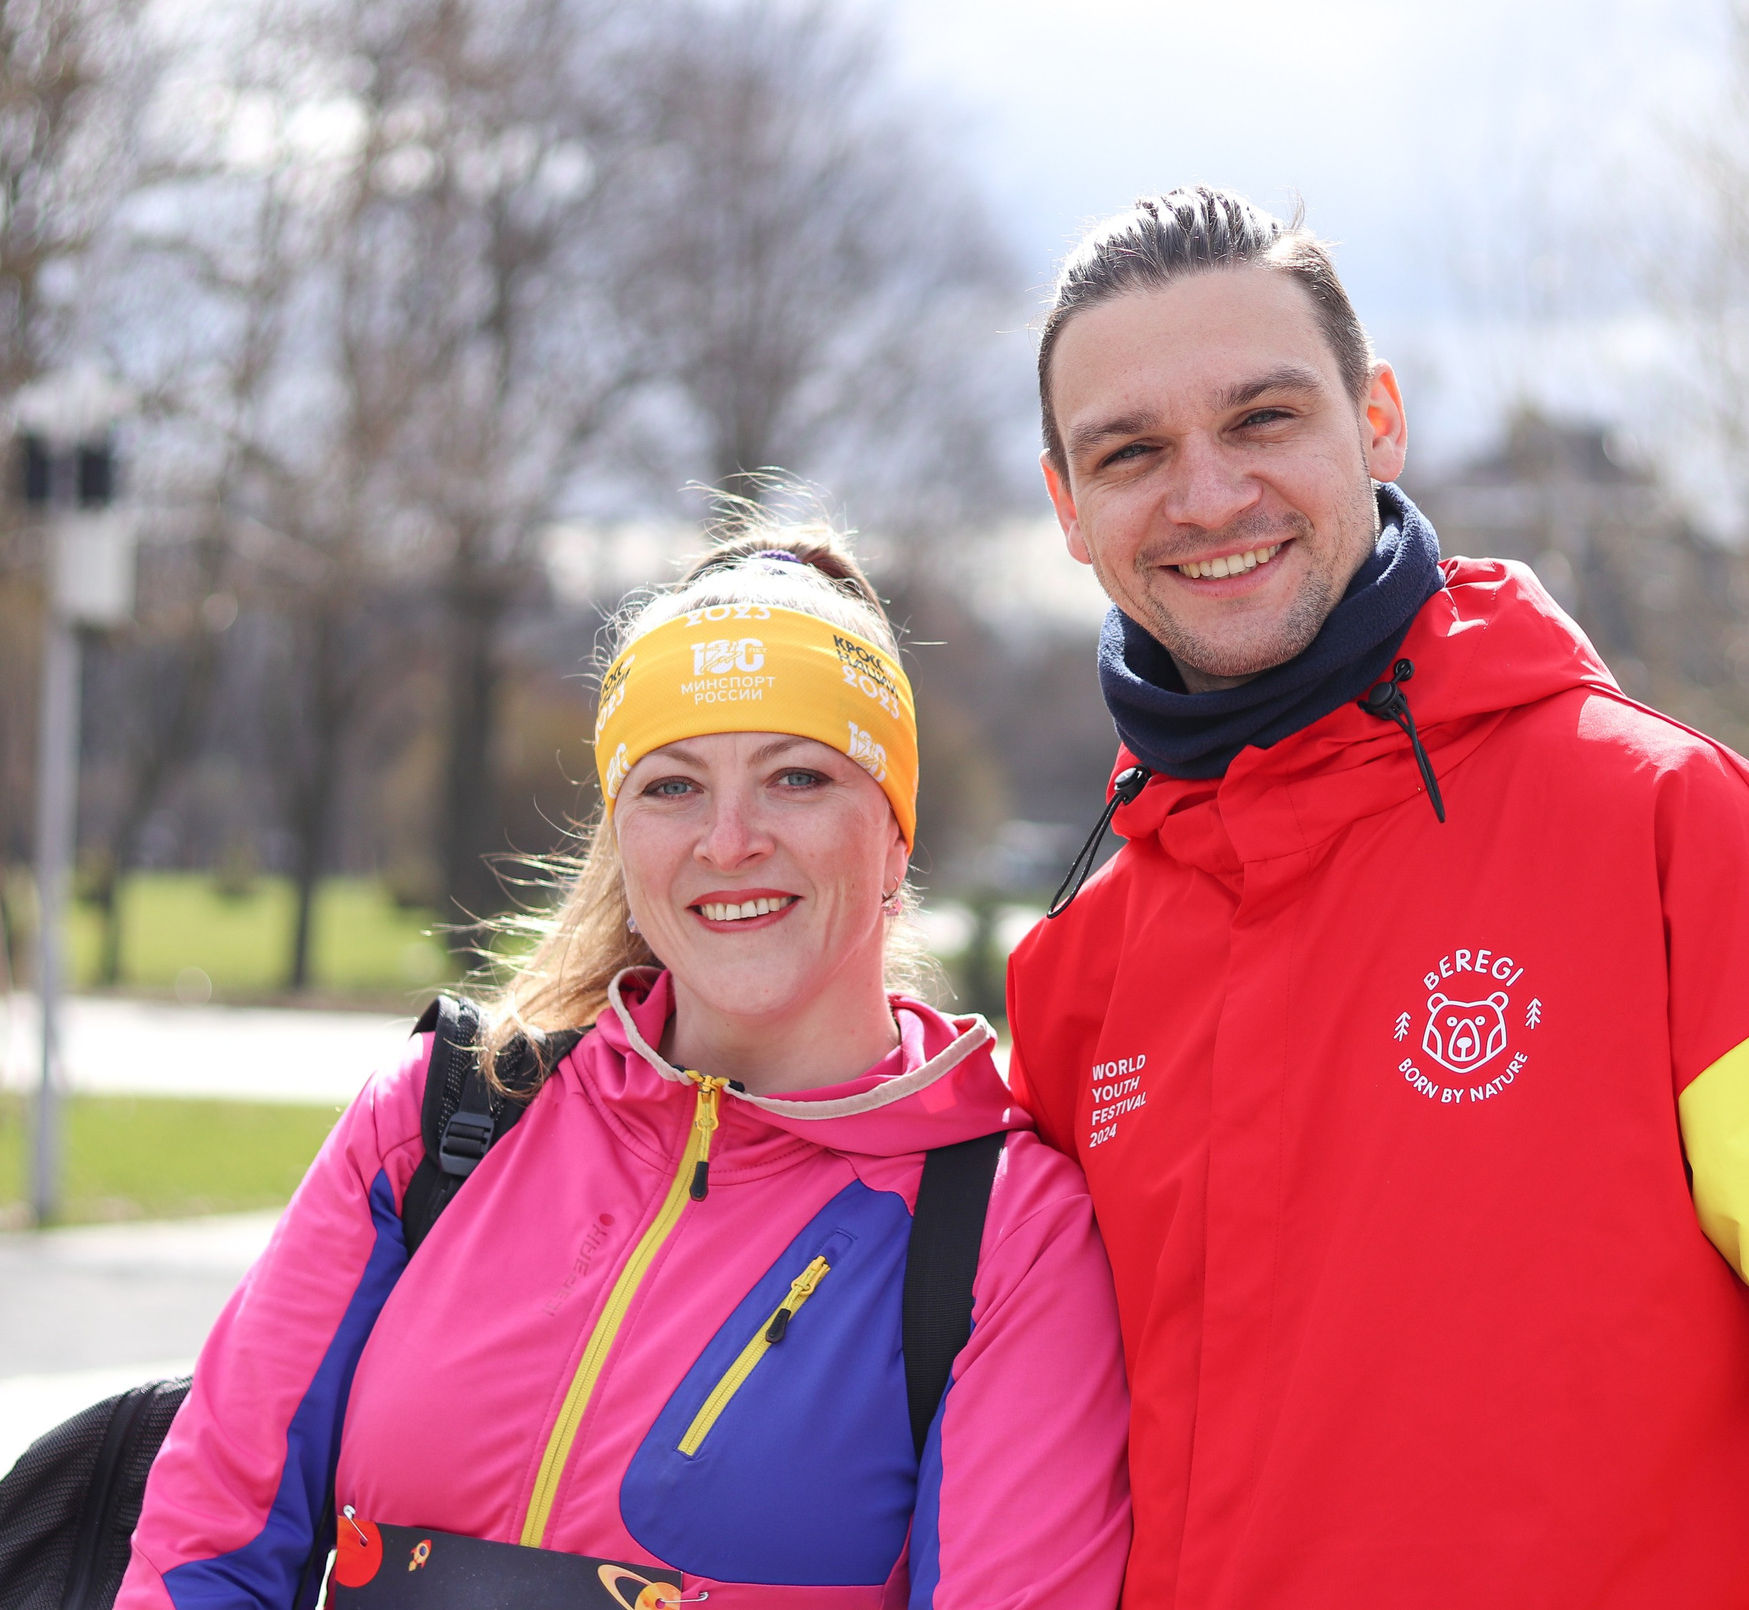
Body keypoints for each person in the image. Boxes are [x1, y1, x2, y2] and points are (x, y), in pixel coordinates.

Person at [1003, 186, 1749, 1608]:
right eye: (1131, 451)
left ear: (1378, 421)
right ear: (1068, 508)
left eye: (1263, 418)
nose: (1208, 495)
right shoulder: (1081, 976)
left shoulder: (1670, 835)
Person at [119, 526, 1131, 1609]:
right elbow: (206, 1540)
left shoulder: (1006, 1236)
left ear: (894, 833)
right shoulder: (438, 1121)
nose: (729, 841)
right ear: (621, 838)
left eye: (796, 777)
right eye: (672, 787)